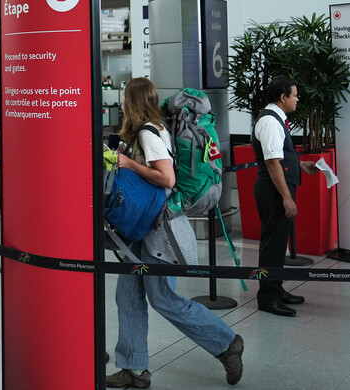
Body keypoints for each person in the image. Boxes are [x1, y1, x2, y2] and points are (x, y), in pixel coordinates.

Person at [106, 78, 243, 389]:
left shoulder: (149, 132)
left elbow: (167, 179)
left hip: (160, 229)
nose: (122, 102)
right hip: (142, 227)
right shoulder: (148, 130)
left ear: (132, 100)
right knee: (127, 295)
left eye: (125, 97)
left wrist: (129, 164)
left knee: (164, 298)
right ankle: (134, 368)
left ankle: (227, 343)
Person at [252, 77, 319, 317]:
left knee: (279, 242)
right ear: (283, 97)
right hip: (273, 191)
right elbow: (272, 163)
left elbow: (279, 156)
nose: (297, 99)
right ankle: (267, 297)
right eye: (295, 95)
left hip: (277, 189)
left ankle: (276, 287)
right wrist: (287, 198)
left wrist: (300, 165)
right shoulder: (270, 121)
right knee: (273, 244)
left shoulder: (276, 119)